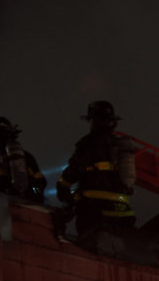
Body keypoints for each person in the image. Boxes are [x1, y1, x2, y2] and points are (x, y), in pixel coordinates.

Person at [56, 100, 136, 239]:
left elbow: (75, 168)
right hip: (123, 212)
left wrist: (62, 186)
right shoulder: (119, 145)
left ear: (93, 120)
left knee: (91, 248)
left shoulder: (89, 142)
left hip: (94, 210)